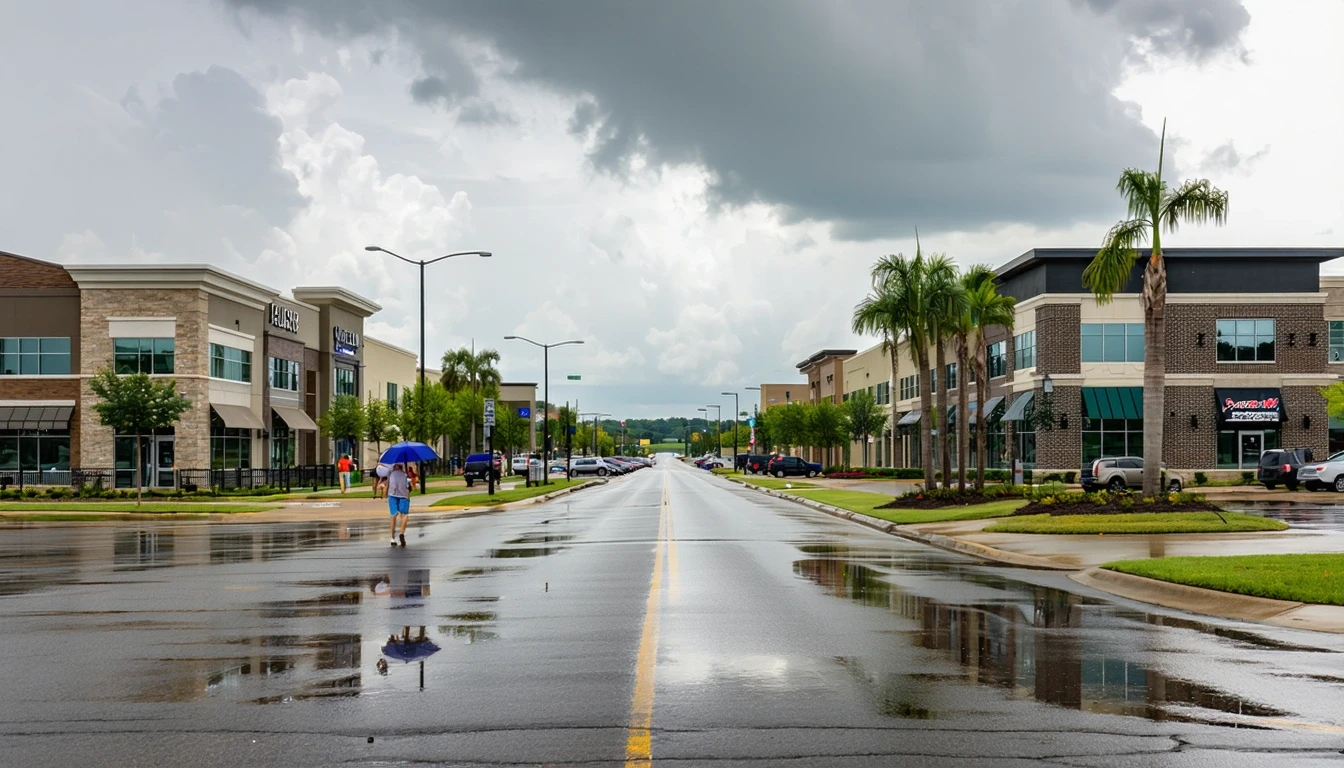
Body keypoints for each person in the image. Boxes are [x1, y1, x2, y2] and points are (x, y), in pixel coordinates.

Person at [387, 462, 410, 546]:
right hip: (403, 495)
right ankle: (401, 533)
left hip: (392, 494)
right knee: (405, 515)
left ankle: (393, 538)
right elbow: (408, 487)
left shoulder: (391, 473)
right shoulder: (405, 474)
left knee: (393, 515)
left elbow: (388, 483)